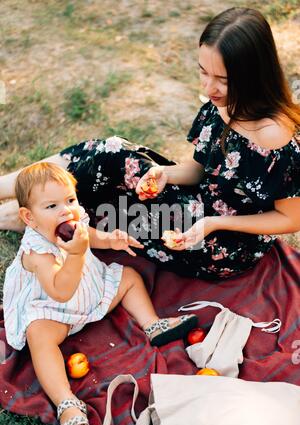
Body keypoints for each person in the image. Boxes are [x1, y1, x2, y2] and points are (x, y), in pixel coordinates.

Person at [0, 7, 299, 280]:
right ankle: (20, 194)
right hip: (195, 203)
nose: (208, 88)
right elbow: (198, 170)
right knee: (108, 153)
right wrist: (165, 174)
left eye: (222, 78)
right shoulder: (222, 104)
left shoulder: (276, 137)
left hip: (219, 244)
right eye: (203, 72)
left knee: (104, 200)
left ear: (254, 75)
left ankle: (25, 211)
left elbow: (290, 220)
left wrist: (214, 223)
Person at [2, 162, 197, 425]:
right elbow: (60, 291)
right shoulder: (37, 252)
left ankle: (153, 324)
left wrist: (109, 240)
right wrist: (77, 255)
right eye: (52, 206)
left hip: (89, 290)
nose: (65, 210)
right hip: (53, 309)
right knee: (39, 337)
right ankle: (66, 403)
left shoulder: (71, 218)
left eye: (70, 200)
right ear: (29, 218)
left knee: (129, 277)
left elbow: (88, 235)